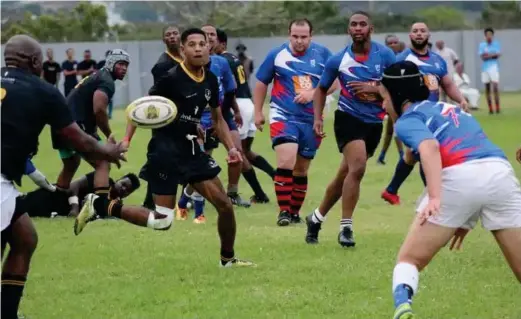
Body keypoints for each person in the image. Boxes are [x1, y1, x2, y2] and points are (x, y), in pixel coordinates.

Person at [381, 60, 521, 319]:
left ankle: (403, 309)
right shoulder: (450, 108)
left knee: (409, 260)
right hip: (500, 172)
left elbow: (430, 147)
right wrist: (464, 219)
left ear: (396, 96)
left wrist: (435, 197)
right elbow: (420, 153)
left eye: (384, 96)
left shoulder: (407, 120)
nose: (382, 104)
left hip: (459, 177)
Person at [1, 34, 126, 319]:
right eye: (41, 61)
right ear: (34, 61)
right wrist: (108, 151)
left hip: (6, 182)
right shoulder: (43, 90)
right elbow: (77, 138)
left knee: (24, 237)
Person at [123, 28, 254, 267]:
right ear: (182, 50)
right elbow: (141, 108)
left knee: (225, 205)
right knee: (163, 221)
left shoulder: (211, 80)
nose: (197, 48)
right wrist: (126, 141)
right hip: (165, 151)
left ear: (209, 47)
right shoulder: (170, 78)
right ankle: (105, 205)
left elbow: (217, 119)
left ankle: (228, 260)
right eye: (191, 44)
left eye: (201, 44)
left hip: (193, 150)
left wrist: (231, 148)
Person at [304, 12, 395, 246]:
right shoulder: (338, 59)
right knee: (358, 167)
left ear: (371, 29)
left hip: (375, 122)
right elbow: (321, 89)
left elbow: (396, 86)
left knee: (345, 175)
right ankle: (346, 228)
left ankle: (315, 218)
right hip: (348, 118)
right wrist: (317, 118)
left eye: (362, 24)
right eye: (353, 24)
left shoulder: (385, 55)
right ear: (348, 30)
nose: (357, 28)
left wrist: (375, 89)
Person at [254, 18, 337, 226]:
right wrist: (257, 111)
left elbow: (335, 81)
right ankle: (283, 212)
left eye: (303, 37)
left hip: (311, 118)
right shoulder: (277, 54)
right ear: (289, 34)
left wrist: (313, 93)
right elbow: (262, 82)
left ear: (311, 36)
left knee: (301, 170)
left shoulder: (323, 54)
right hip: (283, 114)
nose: (299, 41)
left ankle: (294, 212)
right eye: (295, 36)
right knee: (285, 161)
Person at [381, 22, 468, 206]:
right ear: (410, 36)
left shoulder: (437, 60)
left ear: (429, 35)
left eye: (422, 31)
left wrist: (461, 99)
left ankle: (392, 191)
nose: (419, 34)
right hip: (413, 115)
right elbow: (388, 88)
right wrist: (398, 119)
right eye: (415, 31)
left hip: (432, 115)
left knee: (414, 155)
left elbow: (448, 84)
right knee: (424, 154)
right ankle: (432, 197)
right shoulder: (402, 59)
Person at [52, 48, 130, 223]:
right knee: (103, 161)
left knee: (71, 164)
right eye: (121, 64)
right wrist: (108, 134)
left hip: (60, 125)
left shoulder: (98, 75)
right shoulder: (106, 80)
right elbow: (99, 109)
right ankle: (102, 209)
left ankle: (55, 207)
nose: (124, 68)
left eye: (126, 65)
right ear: (111, 63)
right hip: (75, 127)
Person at [214, 28, 272, 204]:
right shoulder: (233, 58)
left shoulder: (219, 61)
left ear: (222, 43)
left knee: (238, 154)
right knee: (245, 151)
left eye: (211, 39)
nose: (207, 44)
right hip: (247, 103)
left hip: (235, 104)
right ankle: (276, 176)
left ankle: (257, 194)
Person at [140, 25, 184, 211]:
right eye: (168, 35)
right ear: (163, 40)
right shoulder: (163, 64)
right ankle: (155, 201)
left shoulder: (184, 58)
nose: (172, 37)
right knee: (162, 159)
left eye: (175, 33)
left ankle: (157, 200)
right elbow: (157, 94)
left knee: (174, 158)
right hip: (167, 118)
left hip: (184, 116)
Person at [24, 172, 140, 218]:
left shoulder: (114, 204)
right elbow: (73, 185)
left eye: (127, 190)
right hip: (56, 195)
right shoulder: (103, 180)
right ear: (118, 180)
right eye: (123, 184)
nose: (123, 189)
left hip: (59, 209)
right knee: (23, 206)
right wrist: (75, 208)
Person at [377, 34, 405, 165]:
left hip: (402, 98)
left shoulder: (403, 59)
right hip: (389, 98)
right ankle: (402, 155)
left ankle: (382, 156)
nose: (393, 44)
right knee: (395, 126)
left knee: (391, 129)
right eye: (390, 43)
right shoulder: (383, 60)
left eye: (395, 42)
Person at [479, 27, 501, 114]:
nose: (489, 36)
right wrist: (491, 55)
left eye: (490, 35)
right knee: (487, 88)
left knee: (495, 87)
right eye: (487, 35)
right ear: (485, 36)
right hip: (485, 68)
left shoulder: (496, 44)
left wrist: (488, 55)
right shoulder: (482, 45)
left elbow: (497, 55)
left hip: (494, 67)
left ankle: (498, 108)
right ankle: (490, 108)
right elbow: (482, 57)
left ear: (492, 35)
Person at [96, 50, 114, 119]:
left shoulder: (113, 64)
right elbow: (97, 72)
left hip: (110, 83)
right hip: (101, 84)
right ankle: (104, 113)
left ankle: (110, 114)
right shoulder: (101, 63)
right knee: (103, 99)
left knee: (110, 99)